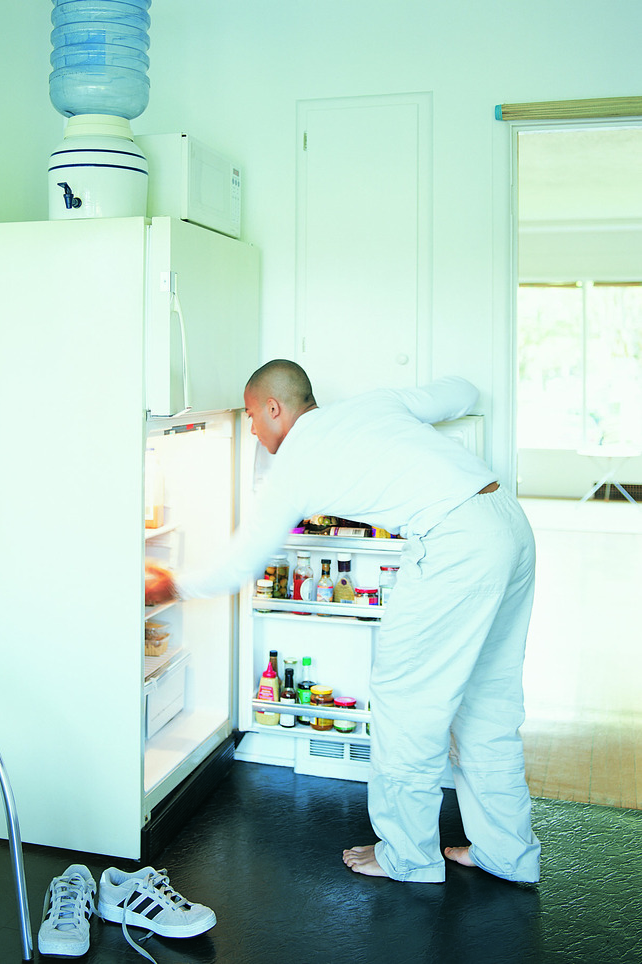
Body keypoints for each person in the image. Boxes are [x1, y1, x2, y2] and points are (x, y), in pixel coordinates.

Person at [145, 359, 540, 884]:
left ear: (273, 407)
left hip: (455, 544)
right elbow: (463, 390)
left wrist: (170, 584)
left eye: (252, 416)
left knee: (406, 702)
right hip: (507, 523)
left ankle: (407, 857)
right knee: (488, 704)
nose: (254, 430)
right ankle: (507, 853)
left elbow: (239, 565)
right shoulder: (373, 405)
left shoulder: (297, 463)